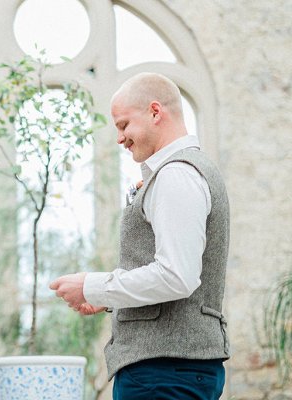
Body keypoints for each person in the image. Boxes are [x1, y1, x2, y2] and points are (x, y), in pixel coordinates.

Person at [50, 73, 229, 399]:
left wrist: (91, 285)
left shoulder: (176, 175)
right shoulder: (179, 173)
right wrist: (106, 299)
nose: (119, 138)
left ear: (155, 112)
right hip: (170, 370)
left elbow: (177, 276)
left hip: (164, 373)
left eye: (123, 125)